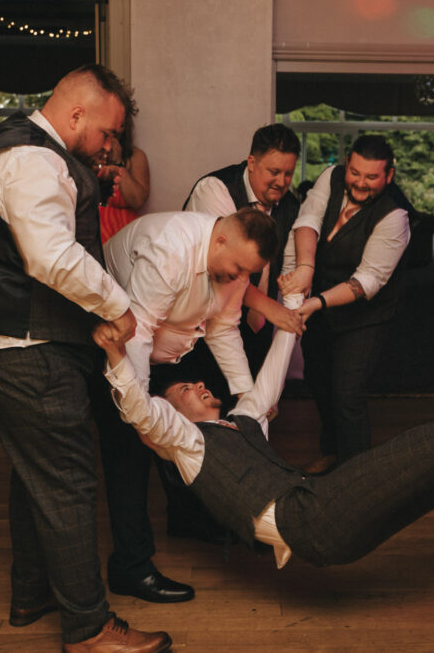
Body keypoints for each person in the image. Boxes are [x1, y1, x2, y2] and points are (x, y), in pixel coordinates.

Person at [0, 64, 170, 653]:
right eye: (107, 132)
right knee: (70, 480)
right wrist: (118, 308)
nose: (111, 146)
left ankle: (33, 593)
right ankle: (90, 628)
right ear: (77, 115)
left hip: (1, 337)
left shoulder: (35, 149)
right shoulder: (33, 159)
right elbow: (50, 257)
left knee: (36, 473)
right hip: (20, 347)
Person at [98, 295, 434, 570]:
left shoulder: (244, 421)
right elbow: (141, 412)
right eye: (185, 387)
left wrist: (292, 307)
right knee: (418, 449)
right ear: (169, 410)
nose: (200, 384)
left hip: (324, 516)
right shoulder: (186, 445)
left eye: (197, 381)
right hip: (312, 521)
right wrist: (119, 357)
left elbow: (272, 374)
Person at [95, 208, 300, 566]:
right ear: (220, 238)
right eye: (238, 270)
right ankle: (132, 566)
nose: (241, 280)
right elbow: (138, 333)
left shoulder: (233, 264)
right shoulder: (170, 250)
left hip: (173, 350)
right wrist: (141, 413)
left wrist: (246, 394)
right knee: (130, 455)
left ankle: (197, 522)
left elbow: (222, 328)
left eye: (247, 274)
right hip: (116, 345)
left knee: (201, 425)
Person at [279, 134, 410, 474]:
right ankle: (332, 450)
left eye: (371, 177)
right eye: (355, 173)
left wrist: (317, 302)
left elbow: (366, 281)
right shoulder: (332, 176)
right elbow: (307, 219)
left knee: (347, 394)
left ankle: (355, 478)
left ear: (389, 176)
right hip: (321, 309)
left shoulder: (395, 217)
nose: (360, 183)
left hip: (364, 317)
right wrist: (305, 269)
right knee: (318, 380)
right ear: (347, 164)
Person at [184, 123, 301, 374]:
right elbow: (230, 265)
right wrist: (272, 309)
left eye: (288, 174)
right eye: (274, 171)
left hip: (258, 325)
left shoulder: (290, 206)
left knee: (249, 401)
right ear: (251, 162)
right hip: (204, 320)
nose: (282, 182)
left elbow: (289, 269)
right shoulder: (215, 189)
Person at [94, 104, 149, 243]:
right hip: (95, 230)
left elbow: (137, 201)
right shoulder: (89, 153)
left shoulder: (135, 156)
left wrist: (119, 164)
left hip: (125, 232)